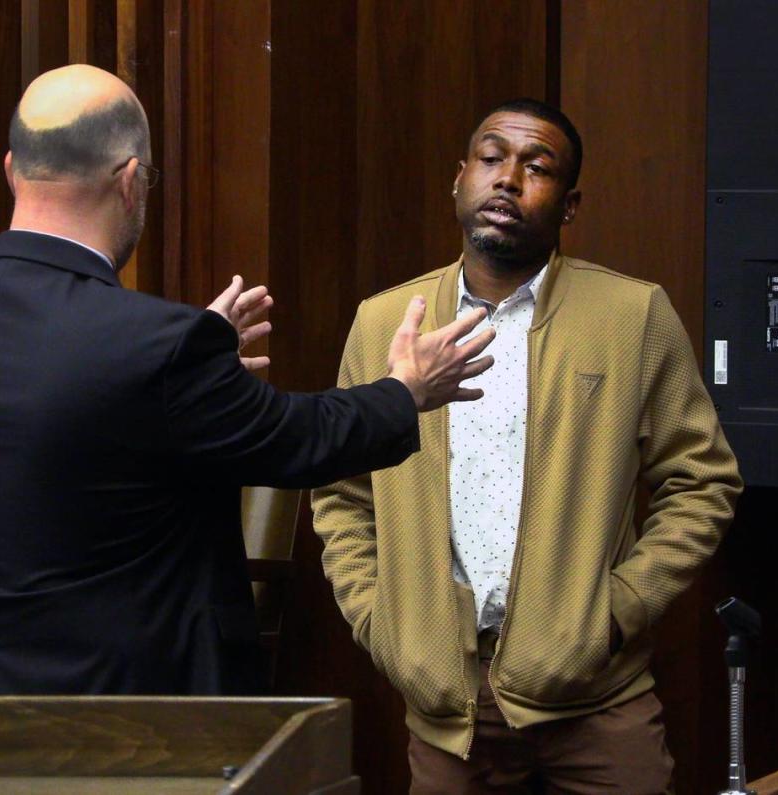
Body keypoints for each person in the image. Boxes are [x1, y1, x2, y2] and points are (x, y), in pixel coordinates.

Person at [0, 64, 497, 697]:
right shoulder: (157, 348)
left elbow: (62, 398)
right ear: (131, 181)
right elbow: (299, 441)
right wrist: (406, 389)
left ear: (11, 169)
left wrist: (190, 360)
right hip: (113, 724)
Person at [312, 98, 743, 793]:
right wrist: (383, 621)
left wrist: (618, 610)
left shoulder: (633, 315)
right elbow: (341, 493)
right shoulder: (386, 321)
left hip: (599, 697)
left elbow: (703, 480)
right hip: (445, 702)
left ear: (569, 206)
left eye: (536, 167)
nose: (507, 179)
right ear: (460, 179)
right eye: (490, 159)